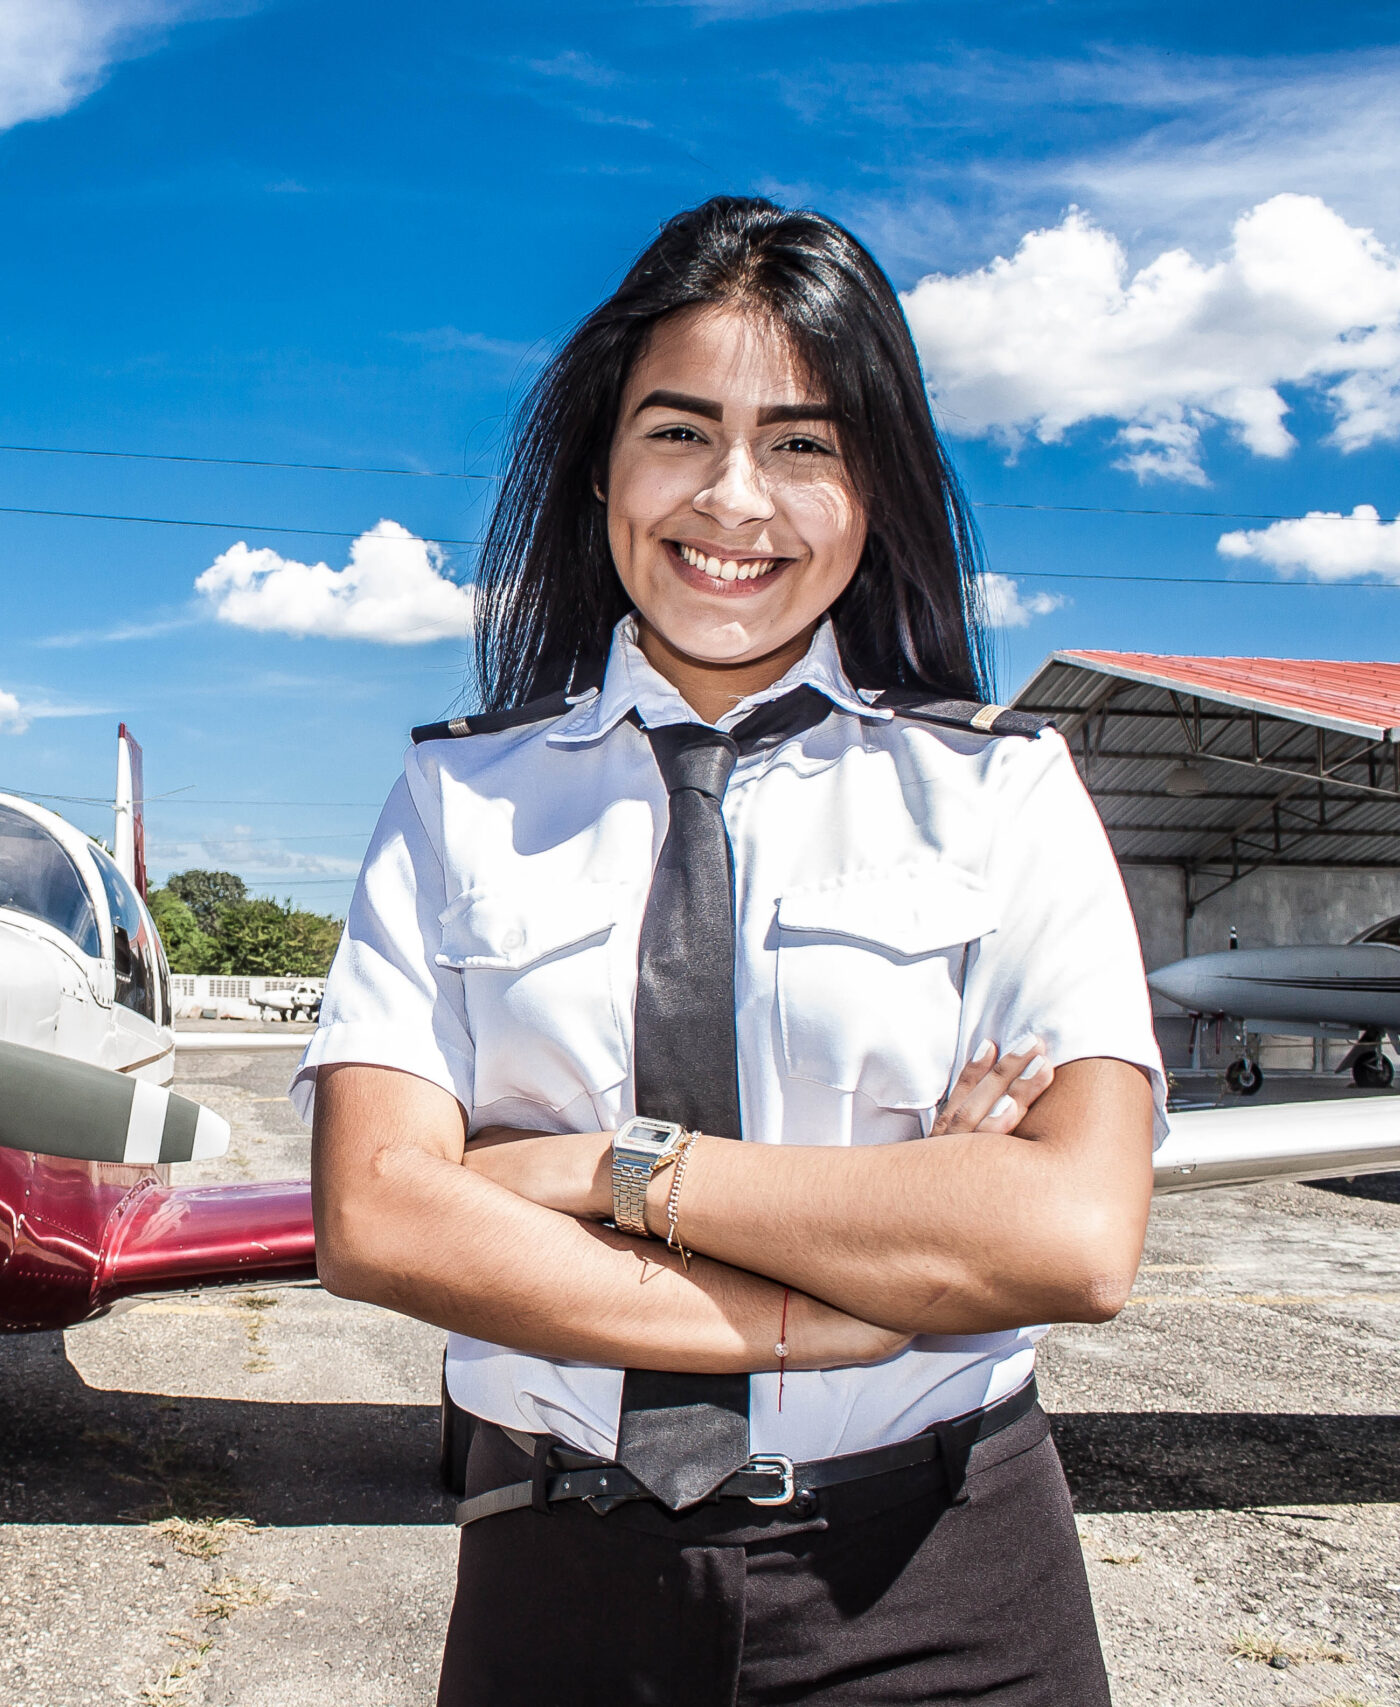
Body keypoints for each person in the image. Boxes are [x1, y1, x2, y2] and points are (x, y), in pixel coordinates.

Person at [300, 196, 1163, 1705]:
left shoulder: (1004, 791)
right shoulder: (456, 800)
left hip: (939, 1587)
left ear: (876, 489)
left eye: (806, 445)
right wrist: (858, 1294)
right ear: (600, 471)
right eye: (681, 433)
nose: (736, 500)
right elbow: (380, 1220)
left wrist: (597, 1168)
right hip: (554, 1577)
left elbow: (1072, 1237)